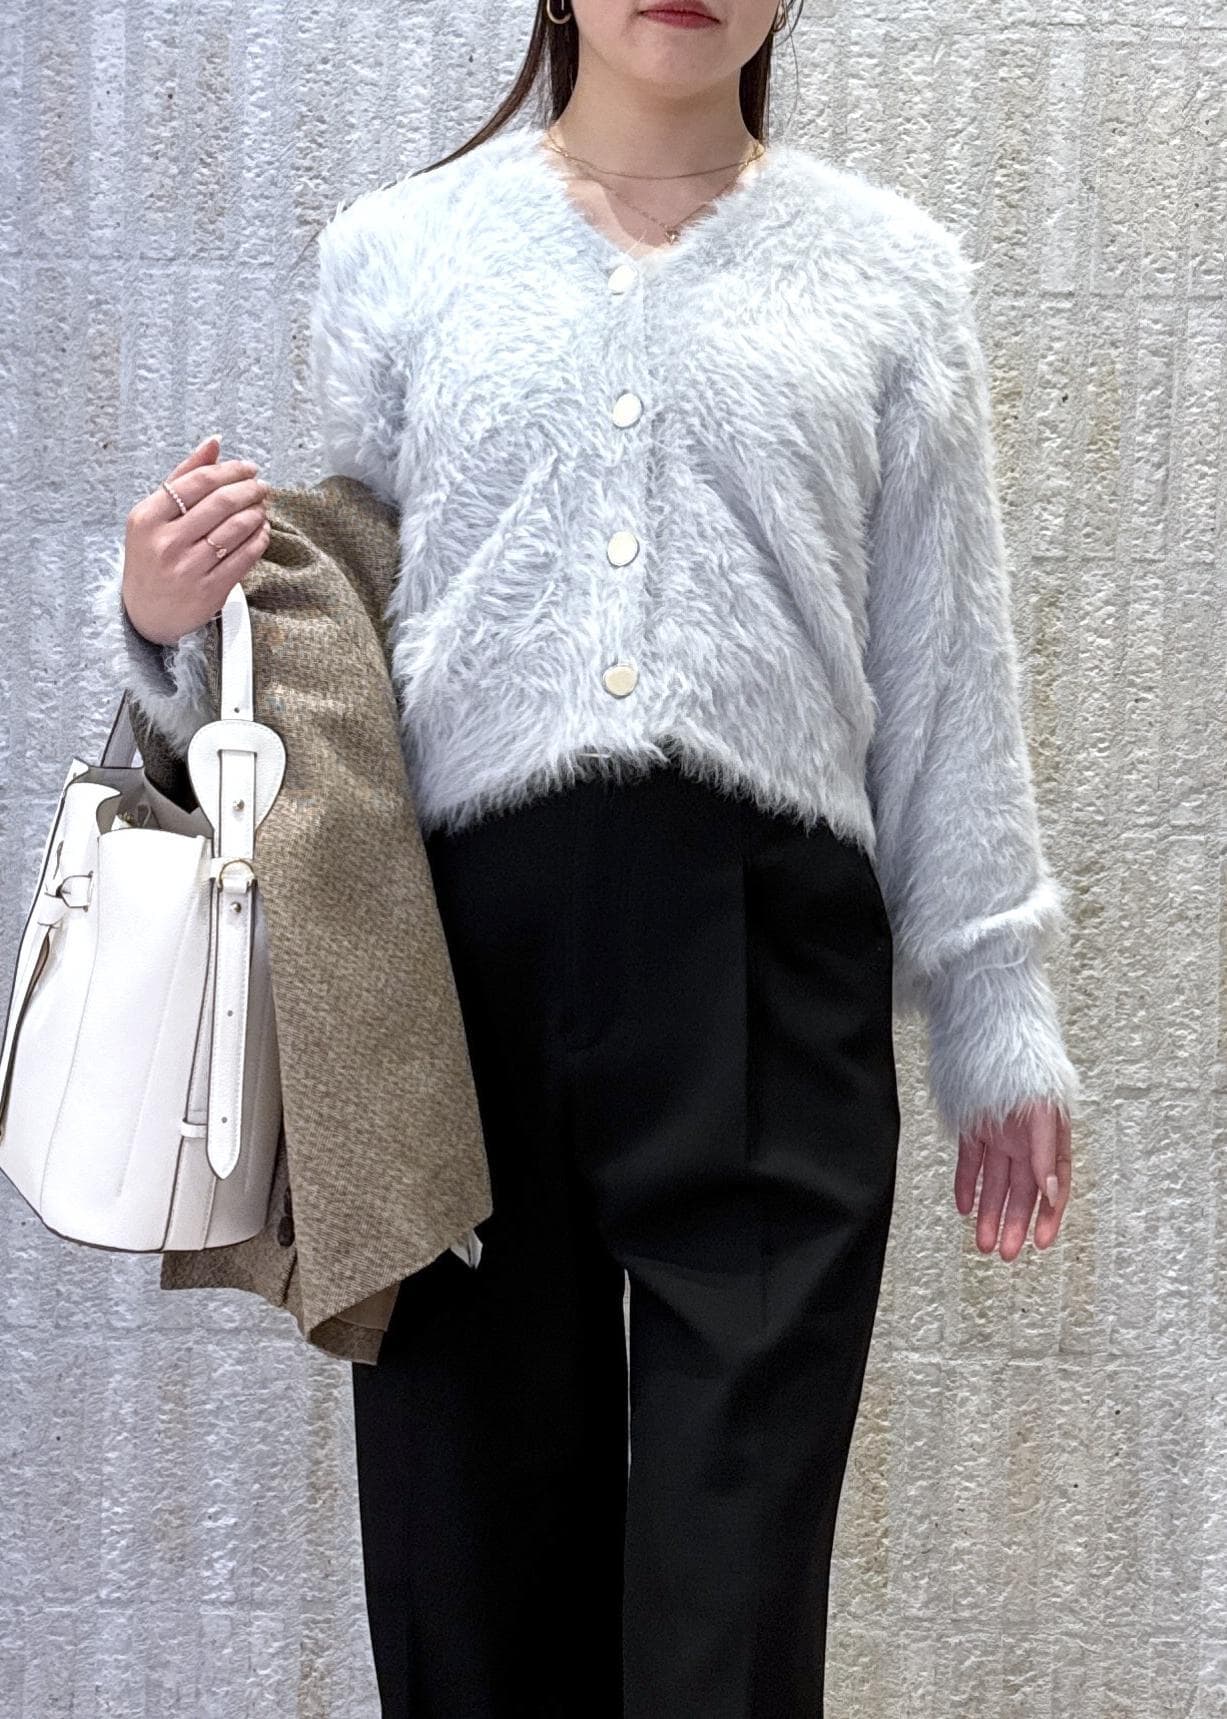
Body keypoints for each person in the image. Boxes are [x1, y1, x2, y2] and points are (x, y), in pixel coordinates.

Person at [116, 1, 1082, 1712]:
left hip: (772, 979)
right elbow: (338, 626)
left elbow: (947, 667)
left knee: (732, 1620)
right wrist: (164, 626)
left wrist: (998, 1009)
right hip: (446, 984)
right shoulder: (401, 252)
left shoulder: (892, 279)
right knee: (470, 1592)